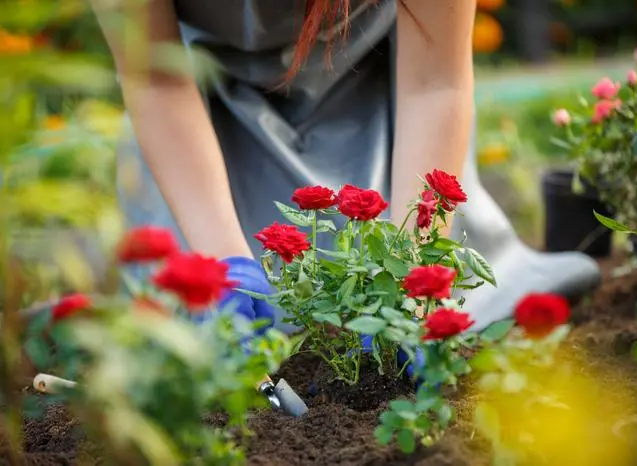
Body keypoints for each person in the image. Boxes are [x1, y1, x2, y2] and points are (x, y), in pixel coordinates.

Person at [91, 0, 600, 335]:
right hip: (200, 125)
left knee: (408, 309)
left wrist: (412, 275)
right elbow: (156, 80)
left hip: (386, 106)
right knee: (196, 337)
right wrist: (224, 265)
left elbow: (435, 83)